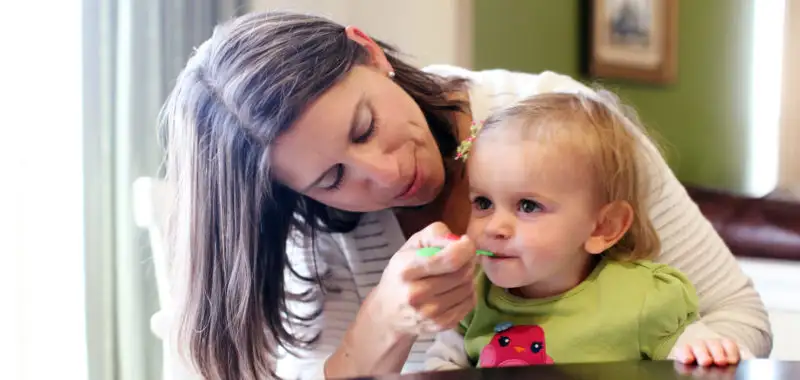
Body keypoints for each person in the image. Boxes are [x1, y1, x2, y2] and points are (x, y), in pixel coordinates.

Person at [159, 10, 771, 380]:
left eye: (366, 127)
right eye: (332, 179)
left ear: (370, 52)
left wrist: (699, 352)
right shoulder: (311, 233)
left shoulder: (565, 129)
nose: (386, 172)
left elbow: (740, 317)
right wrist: (384, 323)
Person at [425, 91, 740, 369]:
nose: (494, 226)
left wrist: (703, 348)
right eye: (482, 202)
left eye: (528, 206)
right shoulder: (470, 298)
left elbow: (693, 354)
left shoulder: (643, 297)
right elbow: (440, 364)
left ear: (604, 226)